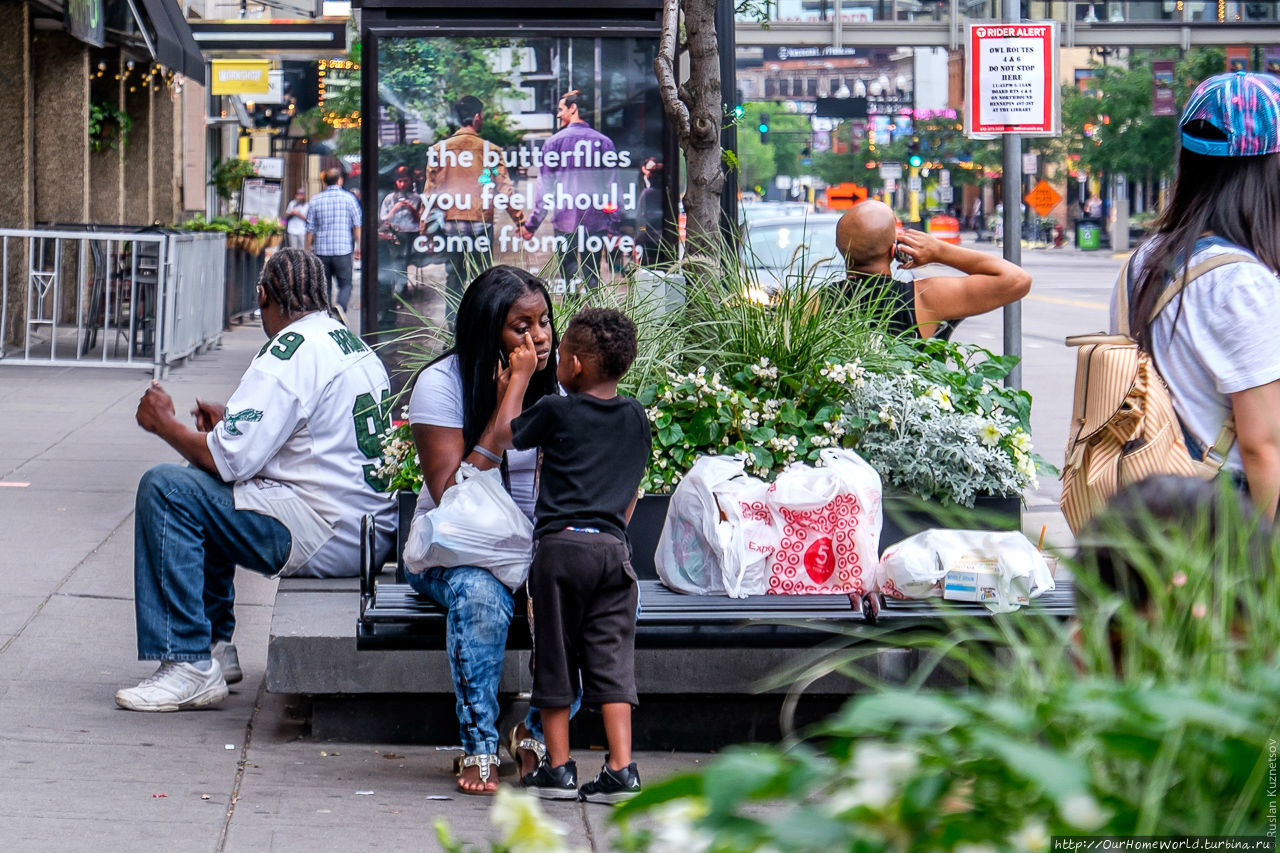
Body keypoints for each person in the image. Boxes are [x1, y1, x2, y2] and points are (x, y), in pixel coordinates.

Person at [115, 249, 396, 712]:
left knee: (167, 489)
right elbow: (306, 440)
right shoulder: (350, 344)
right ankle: (214, 648)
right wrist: (231, 424)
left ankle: (187, 662)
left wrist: (165, 425)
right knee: (198, 485)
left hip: (327, 533)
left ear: (263, 295)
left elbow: (229, 461)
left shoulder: (288, 351)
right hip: (365, 531)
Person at [406, 265, 559, 795]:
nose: (537, 337)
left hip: (535, 551)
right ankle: (479, 747)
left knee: (598, 593)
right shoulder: (441, 384)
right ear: (487, 327)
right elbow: (453, 493)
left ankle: (535, 736)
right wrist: (510, 394)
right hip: (455, 552)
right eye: (521, 325)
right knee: (478, 594)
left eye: (542, 322)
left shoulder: (560, 386)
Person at [1115, 71, 1280, 518]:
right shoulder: (1242, 282)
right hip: (1227, 519)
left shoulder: (1146, 258)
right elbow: (1263, 447)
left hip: (1159, 501)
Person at [509, 308, 650, 804]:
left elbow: (510, 434)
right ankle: (620, 769)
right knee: (612, 661)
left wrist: (517, 380)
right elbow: (632, 491)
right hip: (614, 552)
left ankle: (560, 768)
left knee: (555, 658)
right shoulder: (636, 415)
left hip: (560, 551)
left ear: (573, 365)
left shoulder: (557, 409)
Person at [835, 199, 1031, 339]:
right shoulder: (925, 297)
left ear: (839, 248)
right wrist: (939, 251)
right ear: (895, 248)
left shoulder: (813, 303)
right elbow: (1017, 279)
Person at [424, 95, 525, 327]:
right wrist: (521, 222)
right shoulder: (490, 150)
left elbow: (430, 193)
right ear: (477, 117)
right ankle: (481, 328)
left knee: (454, 278)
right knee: (483, 279)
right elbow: (504, 189)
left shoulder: (439, 150)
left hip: (451, 225)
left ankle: (453, 329)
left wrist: (425, 230)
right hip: (481, 223)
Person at [520, 90, 621, 291]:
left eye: (561, 109)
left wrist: (531, 225)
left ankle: (571, 320)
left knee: (568, 281)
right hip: (595, 222)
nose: (558, 115)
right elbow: (613, 187)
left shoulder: (553, 143)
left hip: (564, 222)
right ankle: (595, 320)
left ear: (573, 108)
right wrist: (614, 225)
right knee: (593, 278)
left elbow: (544, 190)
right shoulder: (604, 142)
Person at [306, 167, 362, 315]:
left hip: (322, 250)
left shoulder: (315, 200)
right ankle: (341, 308)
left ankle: (327, 312)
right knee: (345, 284)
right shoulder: (349, 199)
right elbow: (357, 224)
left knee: (325, 285)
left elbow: (310, 228)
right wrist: (359, 246)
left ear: (324, 181)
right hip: (343, 249)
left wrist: (307, 249)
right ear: (340, 180)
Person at [376, 165, 425, 330]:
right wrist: (395, 209)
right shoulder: (390, 198)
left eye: (405, 181)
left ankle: (400, 290)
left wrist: (410, 208)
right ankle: (397, 291)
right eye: (399, 181)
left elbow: (421, 220)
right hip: (394, 234)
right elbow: (383, 220)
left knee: (402, 260)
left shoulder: (416, 198)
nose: (402, 184)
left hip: (411, 234)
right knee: (397, 260)